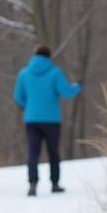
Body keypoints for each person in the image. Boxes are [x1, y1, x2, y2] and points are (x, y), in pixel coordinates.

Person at [13, 46, 81, 196]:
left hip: (31, 119)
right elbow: (66, 92)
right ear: (49, 57)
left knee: (33, 153)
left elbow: (18, 97)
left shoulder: (24, 73)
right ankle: (55, 184)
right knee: (53, 152)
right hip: (51, 120)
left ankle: (32, 184)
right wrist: (77, 87)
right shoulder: (55, 73)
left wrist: (29, 107)